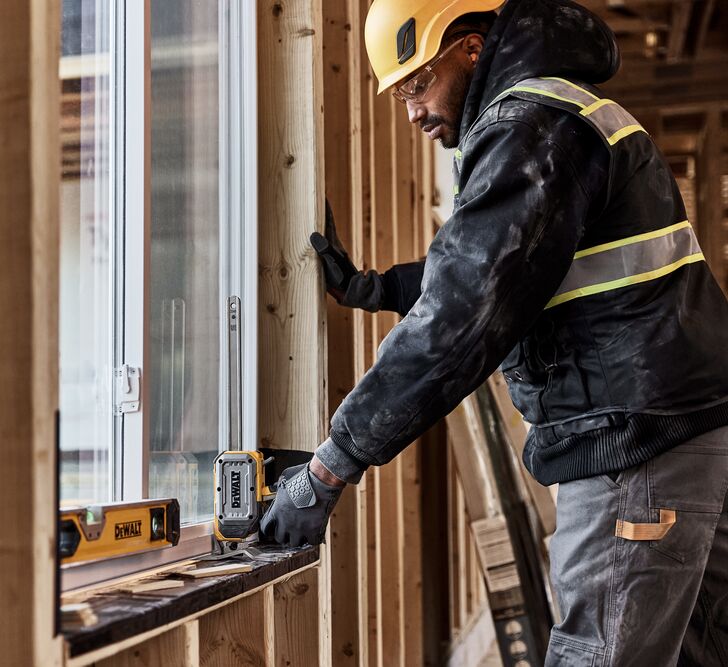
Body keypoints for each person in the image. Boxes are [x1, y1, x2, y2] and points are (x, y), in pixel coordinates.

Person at [258, 0, 728, 663]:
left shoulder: (531, 124)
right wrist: (377, 288)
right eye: (400, 95)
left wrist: (329, 469)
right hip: (684, 438)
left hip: (636, 451)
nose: (413, 112)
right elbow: (515, 264)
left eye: (417, 85)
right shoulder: (564, 112)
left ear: (471, 50)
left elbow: (464, 313)